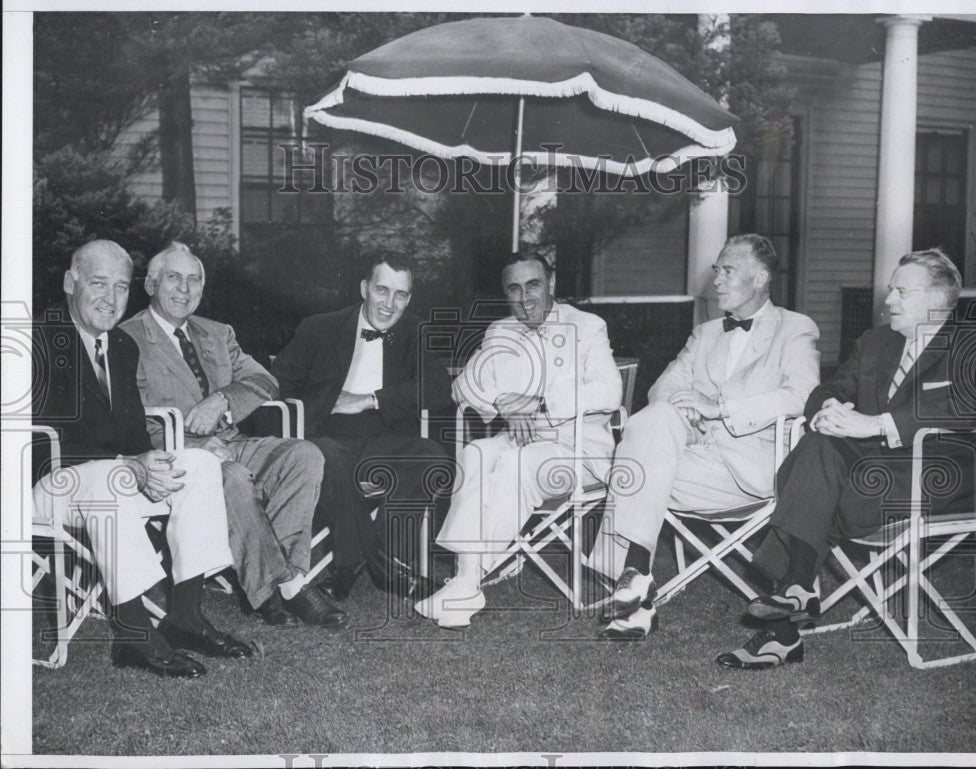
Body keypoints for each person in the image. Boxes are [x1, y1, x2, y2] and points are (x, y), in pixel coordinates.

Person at [717, 248, 976, 669]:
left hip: (937, 477)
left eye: (902, 292)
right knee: (818, 450)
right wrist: (828, 411)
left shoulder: (975, 342)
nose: (888, 302)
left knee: (809, 490)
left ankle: (787, 621)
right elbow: (824, 391)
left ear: (938, 298)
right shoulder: (876, 341)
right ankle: (797, 595)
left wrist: (875, 424)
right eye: (892, 291)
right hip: (866, 478)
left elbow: (962, 407)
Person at [32, 239, 251, 679]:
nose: (110, 299)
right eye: (98, 284)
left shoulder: (121, 347)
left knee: (199, 465)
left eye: (120, 287)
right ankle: (134, 632)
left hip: (108, 477)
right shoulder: (37, 341)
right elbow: (40, 442)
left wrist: (146, 461)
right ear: (69, 282)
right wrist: (127, 463)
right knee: (106, 479)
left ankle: (186, 613)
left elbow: (131, 435)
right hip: (47, 484)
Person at [587, 233, 821, 639]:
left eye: (728, 270)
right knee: (654, 421)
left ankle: (636, 585)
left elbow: (801, 395)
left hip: (751, 470)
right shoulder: (706, 332)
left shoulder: (796, 328)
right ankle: (637, 575)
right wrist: (688, 414)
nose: (717, 280)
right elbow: (661, 389)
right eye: (717, 270)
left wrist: (719, 409)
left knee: (632, 469)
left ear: (761, 277)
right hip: (692, 460)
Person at [120, 243, 344, 630]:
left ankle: (283, 577)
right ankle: (278, 589)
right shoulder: (128, 338)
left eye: (194, 280)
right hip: (171, 455)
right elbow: (131, 419)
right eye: (173, 278)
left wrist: (222, 401)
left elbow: (264, 379)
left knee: (304, 455)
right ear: (152, 284)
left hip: (231, 441)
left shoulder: (218, 333)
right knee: (231, 476)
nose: (184, 289)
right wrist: (194, 445)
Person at [416, 248, 623, 628]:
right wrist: (501, 405)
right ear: (506, 294)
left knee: (516, 462)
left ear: (551, 285)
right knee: (477, 451)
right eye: (515, 289)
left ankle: (467, 579)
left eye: (533, 285)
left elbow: (610, 390)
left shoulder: (588, 326)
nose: (525, 298)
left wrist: (539, 402)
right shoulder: (500, 331)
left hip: (577, 450)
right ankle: (467, 580)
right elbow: (462, 387)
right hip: (520, 441)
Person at [271, 251, 452, 600]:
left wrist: (372, 399)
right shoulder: (319, 327)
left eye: (400, 295)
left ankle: (362, 561)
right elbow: (279, 384)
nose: (389, 304)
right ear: (364, 288)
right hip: (327, 435)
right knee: (326, 457)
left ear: (409, 298)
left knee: (431, 455)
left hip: (384, 437)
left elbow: (439, 387)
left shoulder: (414, 330)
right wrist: (327, 403)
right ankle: (383, 567)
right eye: (382, 290)